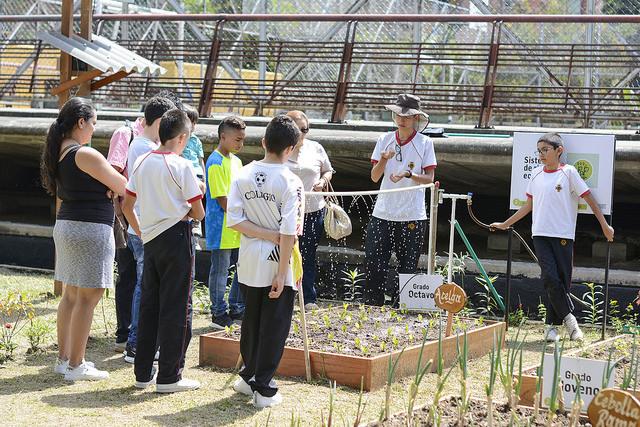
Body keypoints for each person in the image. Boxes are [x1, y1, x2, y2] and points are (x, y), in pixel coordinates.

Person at [491, 132, 614, 342]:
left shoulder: (569, 173)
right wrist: (505, 224)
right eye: (539, 150)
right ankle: (570, 321)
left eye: (545, 150)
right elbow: (527, 206)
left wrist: (604, 225)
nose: (541, 154)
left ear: (559, 151)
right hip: (540, 234)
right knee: (549, 277)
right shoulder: (536, 174)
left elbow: (589, 199)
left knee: (561, 282)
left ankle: (552, 327)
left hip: (563, 234)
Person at [41, 97, 127, 381]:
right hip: (91, 229)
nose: (94, 129)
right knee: (89, 297)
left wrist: (109, 187)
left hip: (67, 226)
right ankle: (77, 365)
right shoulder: (85, 154)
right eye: (93, 123)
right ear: (81, 122)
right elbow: (124, 186)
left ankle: (64, 359)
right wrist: (112, 187)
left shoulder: (60, 151)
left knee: (71, 294)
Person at [123, 108, 205, 393]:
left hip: (151, 238)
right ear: (182, 137)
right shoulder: (180, 165)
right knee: (176, 306)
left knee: (149, 306)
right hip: (176, 238)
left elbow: (126, 204)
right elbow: (198, 211)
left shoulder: (143, 160)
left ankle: (142, 373)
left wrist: (142, 228)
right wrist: (183, 214)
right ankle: (170, 376)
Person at [227, 115, 304, 408]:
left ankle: (248, 377)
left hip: (249, 258)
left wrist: (263, 234)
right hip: (276, 260)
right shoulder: (290, 180)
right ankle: (264, 387)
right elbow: (288, 231)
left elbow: (234, 220)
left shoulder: (243, 173)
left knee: (251, 319)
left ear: (263, 142)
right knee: (275, 324)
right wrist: (282, 270)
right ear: (291, 147)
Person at [364, 94, 436, 306]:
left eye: (407, 115)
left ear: (415, 118)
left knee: (408, 264)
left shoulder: (425, 142)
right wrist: (384, 160)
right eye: (398, 115)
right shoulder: (384, 140)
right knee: (375, 260)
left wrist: (408, 175)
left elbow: (429, 179)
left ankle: (402, 305)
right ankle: (373, 303)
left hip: (412, 213)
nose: (402, 119)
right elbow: (375, 177)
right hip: (383, 211)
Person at [123, 96, 176, 363]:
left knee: (146, 286)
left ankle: (139, 342)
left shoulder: (144, 145)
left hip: (145, 226)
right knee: (145, 288)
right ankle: (135, 344)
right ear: (159, 122)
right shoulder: (144, 148)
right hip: (145, 227)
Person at [285, 111, 333, 311]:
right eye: (298, 130)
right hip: (288, 210)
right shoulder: (282, 149)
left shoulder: (316, 148)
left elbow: (328, 170)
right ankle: (286, 294)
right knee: (285, 253)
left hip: (313, 208)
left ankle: (308, 296)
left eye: (305, 130)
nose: (302, 134)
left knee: (308, 253)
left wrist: (323, 181)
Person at [205, 116, 246, 329]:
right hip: (222, 226)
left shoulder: (237, 161)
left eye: (242, 140)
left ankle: (237, 306)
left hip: (238, 225)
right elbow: (223, 200)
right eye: (237, 139)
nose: (240, 144)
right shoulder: (215, 161)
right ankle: (218, 311)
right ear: (223, 137)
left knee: (242, 267)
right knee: (220, 270)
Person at [107, 116, 143, 353]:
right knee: (129, 276)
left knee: (133, 276)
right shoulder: (126, 133)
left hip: (136, 216)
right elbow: (114, 174)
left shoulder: (150, 138)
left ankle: (130, 332)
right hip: (125, 216)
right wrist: (120, 214)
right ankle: (124, 333)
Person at [181, 104, 206, 249]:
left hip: (197, 173)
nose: (193, 126)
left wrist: (204, 178)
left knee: (198, 199)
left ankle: (196, 226)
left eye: (195, 122)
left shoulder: (196, 140)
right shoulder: (180, 139)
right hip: (186, 173)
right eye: (191, 122)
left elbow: (200, 159)